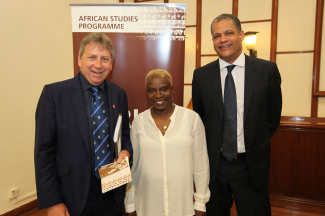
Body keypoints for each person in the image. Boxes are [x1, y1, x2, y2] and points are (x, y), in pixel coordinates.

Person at [192, 14, 282, 216]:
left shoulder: (266, 71)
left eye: (229, 33)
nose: (222, 39)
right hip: (214, 165)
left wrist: (252, 143)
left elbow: (272, 118)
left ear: (241, 35)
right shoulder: (201, 76)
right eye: (216, 36)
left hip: (250, 165)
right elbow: (201, 118)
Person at [34, 32, 133, 216]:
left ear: (111, 64)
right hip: (72, 195)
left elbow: (124, 136)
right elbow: (43, 153)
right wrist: (53, 201)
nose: (98, 65)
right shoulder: (54, 95)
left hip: (112, 189)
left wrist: (126, 152)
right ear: (79, 60)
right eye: (92, 57)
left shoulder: (119, 94)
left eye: (104, 58)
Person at [124, 69, 210, 216]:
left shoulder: (192, 119)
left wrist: (200, 202)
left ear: (172, 90)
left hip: (182, 206)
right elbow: (133, 167)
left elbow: (201, 165)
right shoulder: (139, 122)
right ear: (147, 93)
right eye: (152, 90)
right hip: (147, 205)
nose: (158, 95)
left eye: (163, 89)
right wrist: (130, 202)